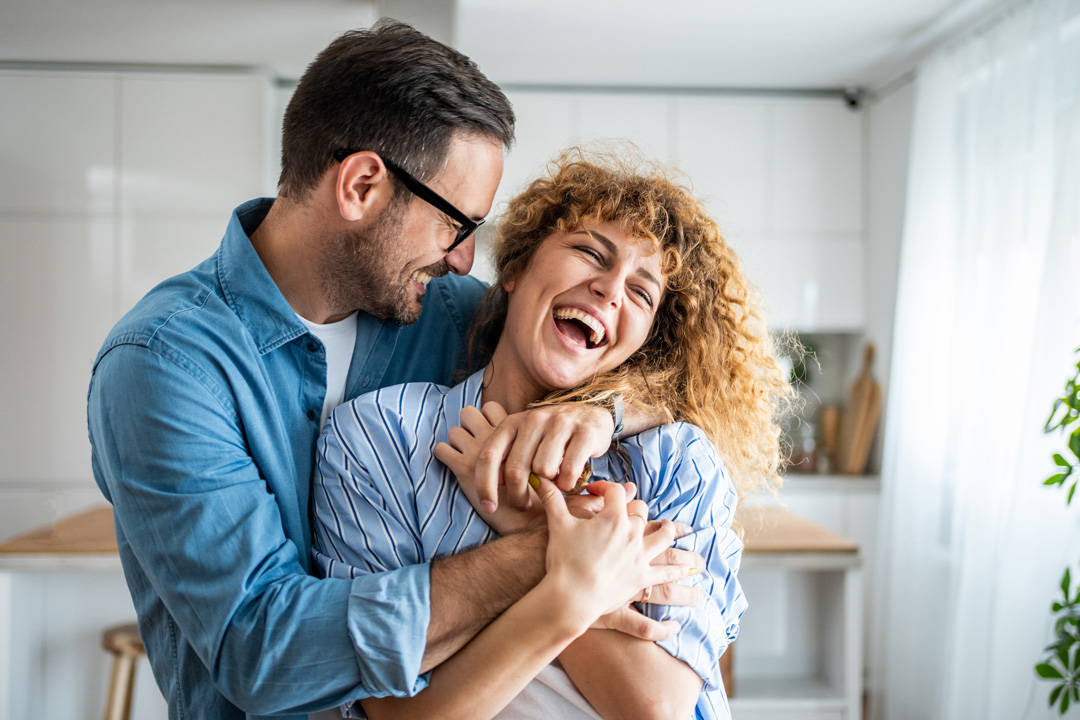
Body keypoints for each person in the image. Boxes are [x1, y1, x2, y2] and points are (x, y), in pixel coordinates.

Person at [86, 21, 692, 720]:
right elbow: (266, 650)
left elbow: (660, 373)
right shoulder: (163, 367)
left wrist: (601, 411)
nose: (465, 260)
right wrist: (556, 553)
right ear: (363, 184)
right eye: (457, 226)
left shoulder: (452, 312)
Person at [313, 148, 792, 719]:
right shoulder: (377, 438)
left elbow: (657, 706)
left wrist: (538, 525)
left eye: (640, 292)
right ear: (514, 269)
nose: (611, 290)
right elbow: (395, 710)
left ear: (646, 338)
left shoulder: (673, 461)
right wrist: (582, 578)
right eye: (590, 252)